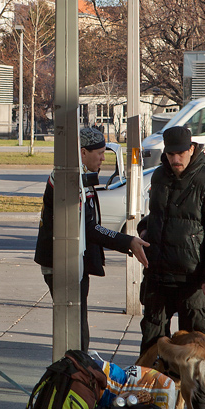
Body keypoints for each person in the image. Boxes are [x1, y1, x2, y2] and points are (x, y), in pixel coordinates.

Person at [137, 126, 205, 409]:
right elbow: (158, 217)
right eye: (171, 153)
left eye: (181, 152)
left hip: (195, 280)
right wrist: (144, 231)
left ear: (192, 149)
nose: (176, 158)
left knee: (198, 347)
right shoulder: (159, 177)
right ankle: (149, 401)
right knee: (152, 340)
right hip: (159, 274)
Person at [34, 127, 149, 351]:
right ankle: (75, 373)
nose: (104, 159)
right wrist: (127, 242)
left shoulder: (76, 176)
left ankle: (78, 370)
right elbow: (88, 227)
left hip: (71, 262)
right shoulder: (68, 178)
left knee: (78, 327)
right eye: (100, 153)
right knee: (75, 330)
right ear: (83, 152)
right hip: (62, 264)